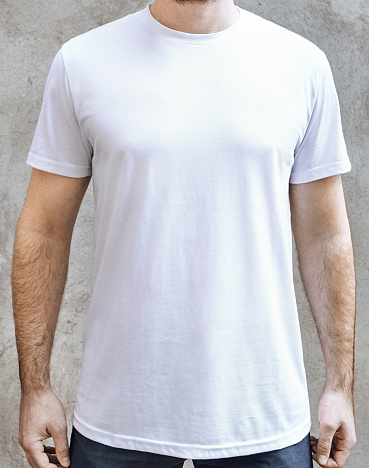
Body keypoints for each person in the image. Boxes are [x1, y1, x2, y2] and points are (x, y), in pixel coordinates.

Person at [11, 0, 357, 466]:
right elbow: (44, 231)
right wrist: (35, 387)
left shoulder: (301, 64)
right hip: (120, 417)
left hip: (263, 416)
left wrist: (340, 385)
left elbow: (326, 236)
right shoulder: (83, 62)